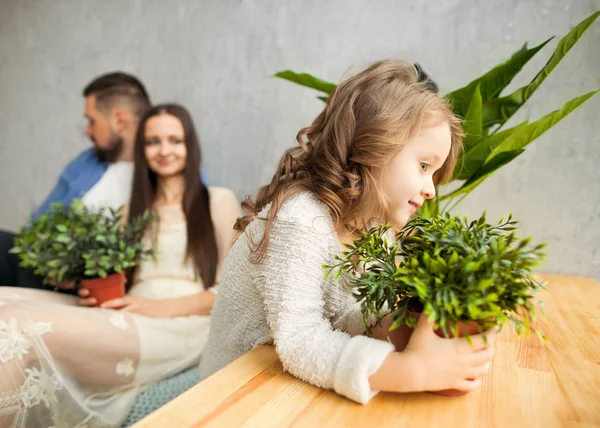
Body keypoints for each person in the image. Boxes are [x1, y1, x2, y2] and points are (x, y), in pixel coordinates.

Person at [199, 60, 496, 404]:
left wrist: (409, 324)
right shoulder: (301, 220)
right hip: (231, 392)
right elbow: (300, 341)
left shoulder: (377, 229)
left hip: (283, 385)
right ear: (373, 147)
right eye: (424, 166)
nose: (431, 189)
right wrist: (413, 372)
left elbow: (344, 319)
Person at [0, 104, 239, 427]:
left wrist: (151, 307)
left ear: (190, 146)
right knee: (5, 305)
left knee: (20, 325)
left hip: (182, 325)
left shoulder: (219, 201)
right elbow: (118, 276)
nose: (164, 150)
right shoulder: (133, 208)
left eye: (174, 140)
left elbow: (228, 293)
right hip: (128, 308)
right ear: (142, 150)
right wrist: (89, 288)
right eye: (153, 142)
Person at [0, 72, 151, 291]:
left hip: (102, 276)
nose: (87, 131)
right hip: (49, 267)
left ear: (119, 120)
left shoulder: (163, 168)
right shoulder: (87, 162)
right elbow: (38, 225)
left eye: (92, 121)